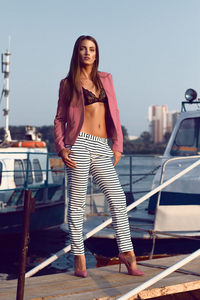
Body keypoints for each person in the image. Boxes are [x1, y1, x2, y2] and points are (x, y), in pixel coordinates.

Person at [54, 35, 144, 278]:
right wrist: (62, 147)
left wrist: (118, 145)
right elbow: (60, 118)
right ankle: (79, 256)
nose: (87, 53)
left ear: (96, 54)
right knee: (77, 204)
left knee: (117, 198)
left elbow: (114, 111)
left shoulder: (106, 79)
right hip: (79, 144)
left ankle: (126, 252)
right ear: (77, 53)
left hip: (103, 146)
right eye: (83, 49)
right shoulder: (67, 83)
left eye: (91, 49)